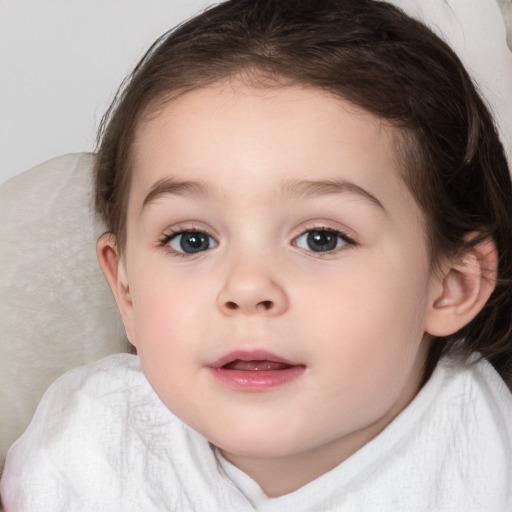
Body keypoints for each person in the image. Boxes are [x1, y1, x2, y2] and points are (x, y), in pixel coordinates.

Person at [1, 0, 511, 509]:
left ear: (451, 285)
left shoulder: (490, 462)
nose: (246, 287)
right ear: (127, 290)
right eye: (191, 240)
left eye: (321, 239)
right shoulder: (84, 448)